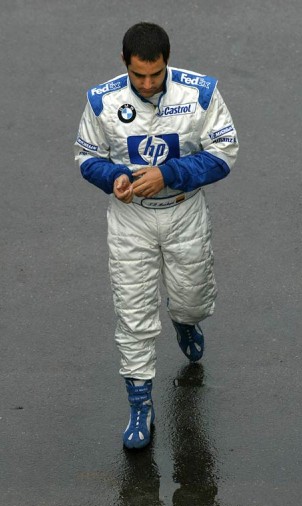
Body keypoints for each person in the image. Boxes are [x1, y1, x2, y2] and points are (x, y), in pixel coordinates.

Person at [73, 22, 239, 449]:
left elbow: (224, 153)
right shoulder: (101, 100)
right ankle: (140, 405)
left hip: (185, 212)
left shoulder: (200, 93)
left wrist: (169, 173)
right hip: (131, 220)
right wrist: (114, 178)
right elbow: (86, 155)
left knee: (193, 298)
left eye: (156, 74)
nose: (147, 84)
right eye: (138, 75)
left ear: (167, 61)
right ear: (124, 64)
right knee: (133, 313)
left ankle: (185, 319)